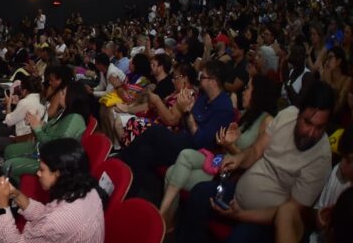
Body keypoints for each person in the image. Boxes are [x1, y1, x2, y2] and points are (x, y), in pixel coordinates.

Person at [175, 81, 335, 243]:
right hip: (239, 193)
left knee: (239, 239)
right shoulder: (288, 115)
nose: (311, 133)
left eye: (320, 127)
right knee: (199, 193)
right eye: (307, 123)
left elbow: (290, 213)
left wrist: (241, 215)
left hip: (266, 221)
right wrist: (239, 158)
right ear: (299, 113)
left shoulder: (321, 158)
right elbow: (256, 151)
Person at [160, 74, 278, 223]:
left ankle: (165, 219)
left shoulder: (267, 121)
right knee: (185, 154)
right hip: (219, 160)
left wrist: (230, 145)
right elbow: (226, 149)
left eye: (248, 88)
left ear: (258, 94)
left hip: (230, 174)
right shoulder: (246, 115)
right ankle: (165, 217)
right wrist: (225, 143)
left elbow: (252, 162)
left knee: (171, 173)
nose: (244, 91)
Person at [117, 60, 235, 204]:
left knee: (155, 131)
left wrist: (187, 112)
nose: (199, 79)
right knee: (144, 152)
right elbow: (184, 124)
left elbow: (200, 141)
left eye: (203, 77)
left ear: (213, 81)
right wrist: (187, 112)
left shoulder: (223, 107)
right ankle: (125, 193)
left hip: (196, 151)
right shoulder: (204, 98)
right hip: (182, 138)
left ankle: (118, 159)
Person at [0, 138, 105, 243]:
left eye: (42, 169)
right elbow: (46, 215)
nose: (38, 173)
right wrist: (16, 194)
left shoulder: (59, 220)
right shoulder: (87, 191)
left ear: (58, 173)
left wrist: (1, 207)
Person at [274, 123, 352, 243]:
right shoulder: (338, 173)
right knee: (286, 211)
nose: (341, 165)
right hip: (313, 237)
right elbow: (316, 213)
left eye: (348, 160)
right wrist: (320, 218)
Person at [2, 78, 90, 183]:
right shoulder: (64, 111)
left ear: (71, 97)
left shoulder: (74, 118)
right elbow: (51, 131)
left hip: (54, 162)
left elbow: (55, 146)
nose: (60, 95)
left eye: (63, 93)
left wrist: (37, 128)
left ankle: (19, 191)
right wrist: (39, 124)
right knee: (9, 150)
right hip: (43, 148)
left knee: (8, 166)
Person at [0, 76, 46, 175]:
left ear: (24, 90)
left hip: (25, 138)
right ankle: (1, 158)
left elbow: (8, 121)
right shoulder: (41, 100)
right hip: (30, 135)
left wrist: (8, 104)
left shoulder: (25, 102)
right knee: (4, 131)